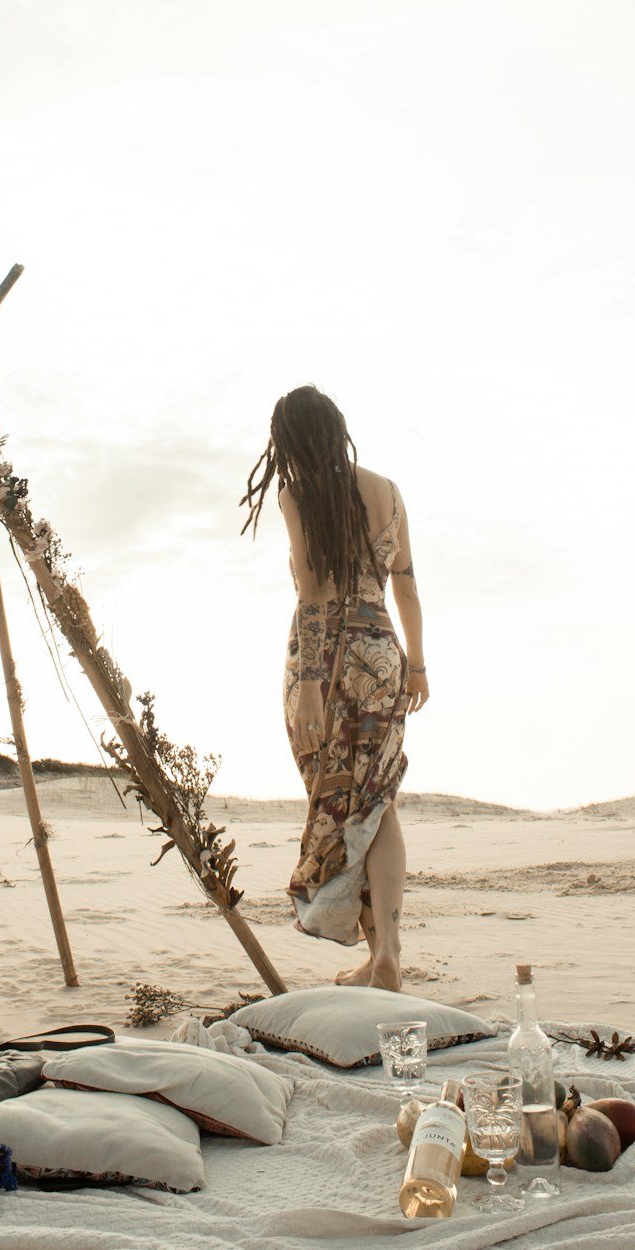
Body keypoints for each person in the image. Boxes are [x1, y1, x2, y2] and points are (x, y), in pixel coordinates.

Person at [241, 385, 429, 991]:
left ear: (291, 442)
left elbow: (314, 594)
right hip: (383, 651)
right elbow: (406, 583)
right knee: (378, 800)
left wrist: (315, 688)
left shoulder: (300, 495)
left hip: (329, 658)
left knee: (350, 802)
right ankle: (385, 953)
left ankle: (383, 956)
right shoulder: (388, 490)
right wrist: (418, 664)